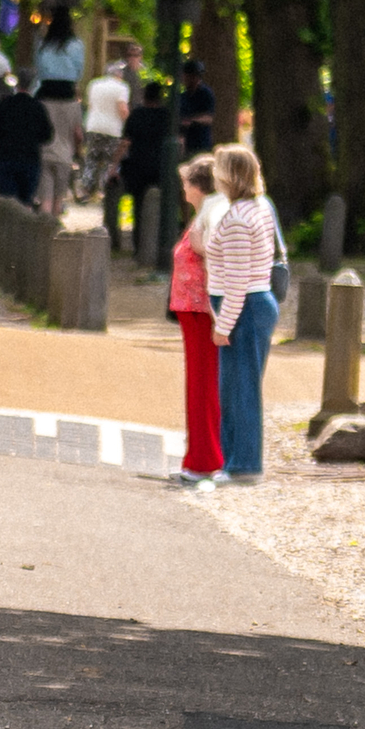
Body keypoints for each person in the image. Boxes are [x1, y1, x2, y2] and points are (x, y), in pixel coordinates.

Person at [205, 143, 282, 482]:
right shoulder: (258, 207)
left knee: (239, 389)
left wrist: (223, 324)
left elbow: (237, 279)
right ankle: (235, 460)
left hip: (243, 307)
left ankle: (243, 465)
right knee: (239, 387)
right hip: (254, 303)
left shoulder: (237, 219)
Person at [169, 155, 225, 484]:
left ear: (198, 186)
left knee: (203, 385)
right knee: (201, 384)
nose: (184, 189)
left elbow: (215, 258)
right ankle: (198, 455)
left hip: (202, 311)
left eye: (187, 182)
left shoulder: (211, 213)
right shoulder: (205, 212)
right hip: (195, 312)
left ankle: (204, 459)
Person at [33, 7, 85, 217]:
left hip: (45, 93)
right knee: (58, 198)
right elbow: (79, 70)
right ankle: (55, 216)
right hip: (67, 95)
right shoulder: (76, 45)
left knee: (44, 193)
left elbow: (38, 69)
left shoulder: (43, 44)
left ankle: (44, 213)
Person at [114, 79, 172, 244]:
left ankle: (139, 241)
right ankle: (159, 242)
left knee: (139, 205)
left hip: (137, 166)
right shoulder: (167, 115)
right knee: (161, 204)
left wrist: (114, 164)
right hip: (161, 166)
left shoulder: (137, 115)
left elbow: (126, 142)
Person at [0, 75, 55, 204]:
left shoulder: (5, 104)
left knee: (6, 199)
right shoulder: (37, 107)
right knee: (25, 200)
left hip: (6, 157)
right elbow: (47, 135)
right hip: (30, 159)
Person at [80, 56, 131, 208]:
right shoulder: (122, 88)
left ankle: (86, 190)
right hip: (113, 129)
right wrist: (129, 123)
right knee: (110, 161)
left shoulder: (94, 84)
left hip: (93, 126)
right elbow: (122, 108)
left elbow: (90, 105)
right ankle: (104, 191)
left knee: (92, 159)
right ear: (118, 74)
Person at [179, 58, 217, 156]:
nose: (185, 79)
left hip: (201, 143)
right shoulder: (183, 96)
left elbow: (209, 118)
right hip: (186, 144)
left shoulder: (206, 94)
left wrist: (191, 121)